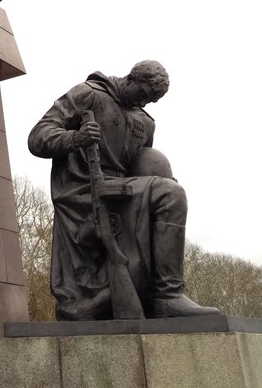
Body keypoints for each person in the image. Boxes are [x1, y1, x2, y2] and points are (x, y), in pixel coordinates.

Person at [28, 60, 219, 320]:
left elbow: (141, 168)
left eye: (152, 100)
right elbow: (37, 137)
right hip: (84, 191)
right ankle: (167, 295)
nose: (145, 103)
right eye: (143, 94)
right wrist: (76, 138)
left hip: (124, 191)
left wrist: (163, 177)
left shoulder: (146, 122)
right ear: (130, 79)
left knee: (168, 190)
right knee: (170, 194)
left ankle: (151, 294)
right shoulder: (89, 93)